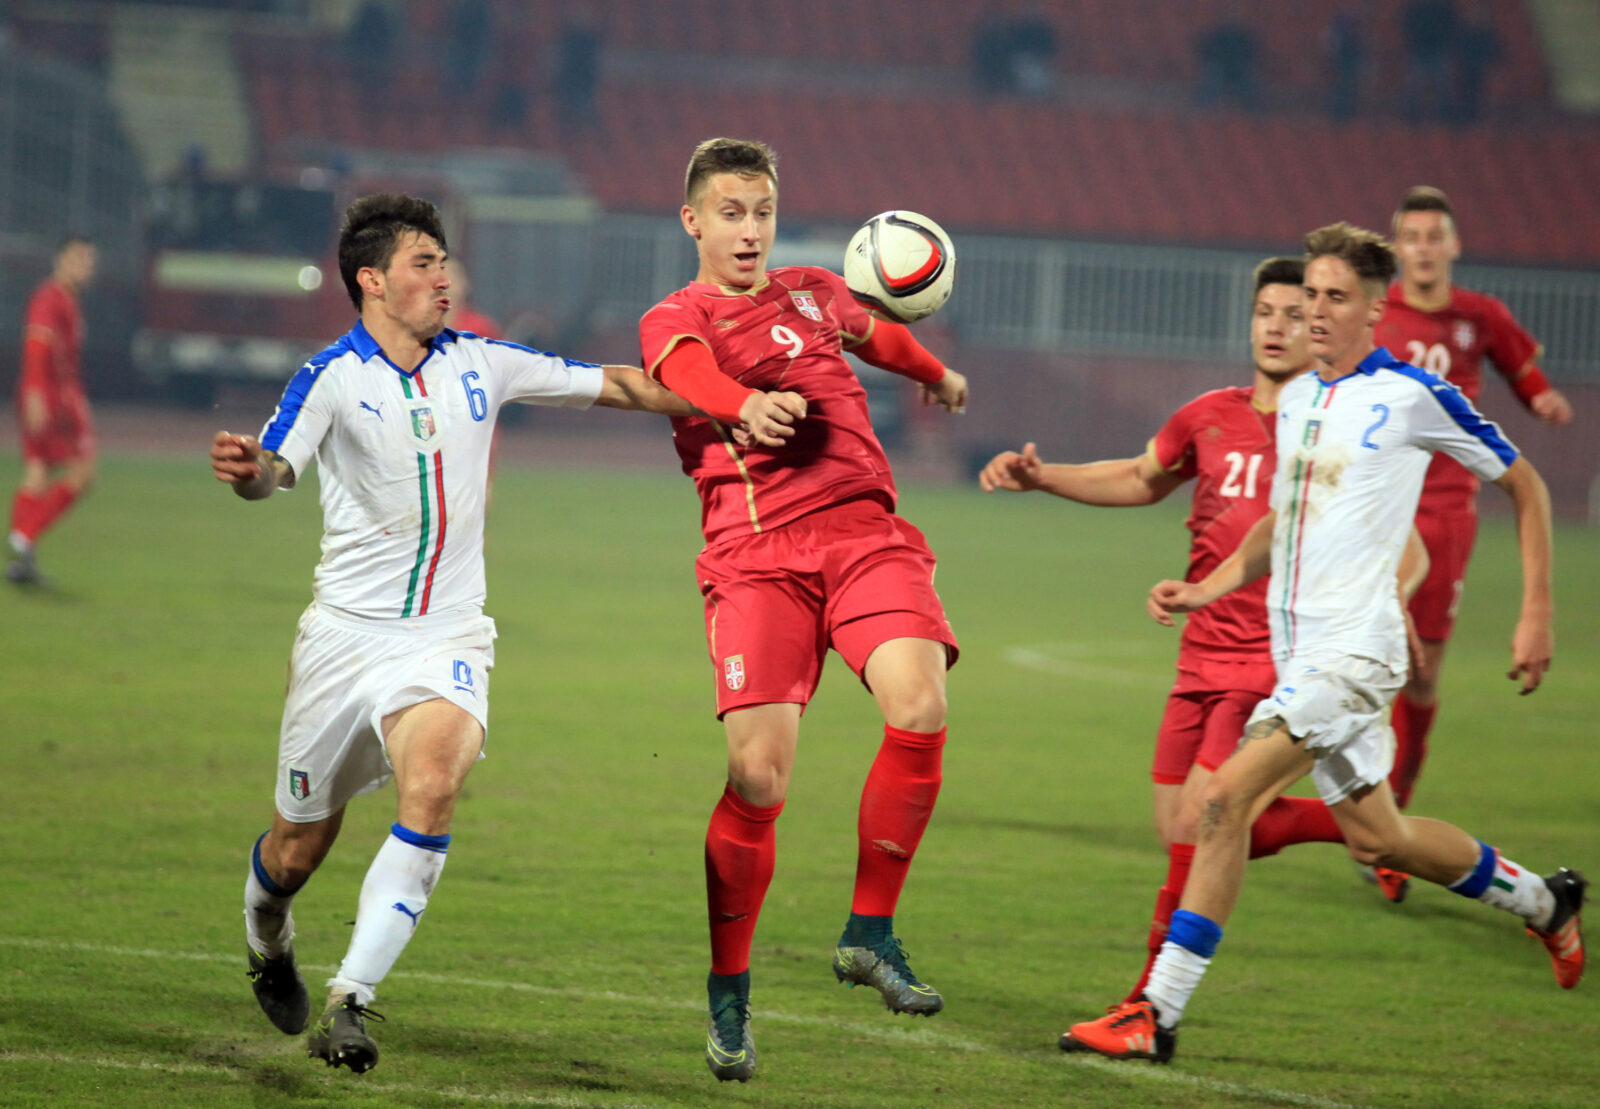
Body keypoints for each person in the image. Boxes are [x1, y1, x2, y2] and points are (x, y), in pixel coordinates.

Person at [1061, 222, 1584, 1065]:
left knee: (1223, 801)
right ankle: (1546, 903)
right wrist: (1208, 586)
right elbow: (1285, 518)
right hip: (1304, 655)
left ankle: (1155, 1012)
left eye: (1335, 297)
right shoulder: (1302, 398)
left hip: (1355, 654)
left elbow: (1526, 484)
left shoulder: (1412, 396)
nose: (1315, 310)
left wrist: (1537, 612)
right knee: (1382, 838)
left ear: (1376, 309)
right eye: (1310, 294)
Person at [211, 193, 691, 1075]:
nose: (444, 278)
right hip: (343, 643)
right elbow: (274, 467)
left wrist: (740, 401)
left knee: (432, 785)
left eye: (444, 262)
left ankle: (351, 999)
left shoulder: (483, 361)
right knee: (296, 848)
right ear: (372, 280)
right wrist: (248, 471)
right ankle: (266, 934)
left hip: (447, 635)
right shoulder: (331, 376)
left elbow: (621, 382)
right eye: (425, 263)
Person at [636, 138, 969, 1082]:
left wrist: (933, 373)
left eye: (763, 212)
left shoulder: (817, 291)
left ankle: (870, 931)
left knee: (921, 704)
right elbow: (687, 372)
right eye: (730, 213)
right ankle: (730, 989)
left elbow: (881, 337)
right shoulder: (677, 314)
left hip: (866, 534)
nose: (750, 231)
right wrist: (743, 405)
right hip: (757, 559)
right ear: (693, 220)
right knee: (758, 777)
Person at [979, 257, 1381, 1003]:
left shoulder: (1329, 428)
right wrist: (1044, 477)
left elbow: (1382, 535)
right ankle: (1366, 830)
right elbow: (1142, 477)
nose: (1277, 328)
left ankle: (1147, 1000)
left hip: (1273, 656)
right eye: (1265, 312)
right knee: (1179, 823)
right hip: (1200, 653)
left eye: (1295, 315)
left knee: (1199, 822)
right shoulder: (1209, 414)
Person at [1371, 187, 1572, 895]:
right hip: (1377, 506)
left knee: (1422, 674)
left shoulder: (1480, 316)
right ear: (1398, 247)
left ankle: (1393, 824)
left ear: (1454, 245)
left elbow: (1521, 368)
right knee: (1359, 660)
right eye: (1413, 236)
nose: (1424, 248)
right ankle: (1369, 821)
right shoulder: (1374, 312)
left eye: (1436, 236)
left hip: (1445, 511)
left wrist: (1541, 396)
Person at [8, 235, 97, 586]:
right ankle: (24, 535)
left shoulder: (67, 300)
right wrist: (35, 392)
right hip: (50, 397)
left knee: (38, 472)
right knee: (83, 474)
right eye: (78, 258)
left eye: (88, 260)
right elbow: (37, 343)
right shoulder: (51, 297)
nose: (84, 267)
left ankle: (21, 563)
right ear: (59, 260)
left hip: (50, 394)